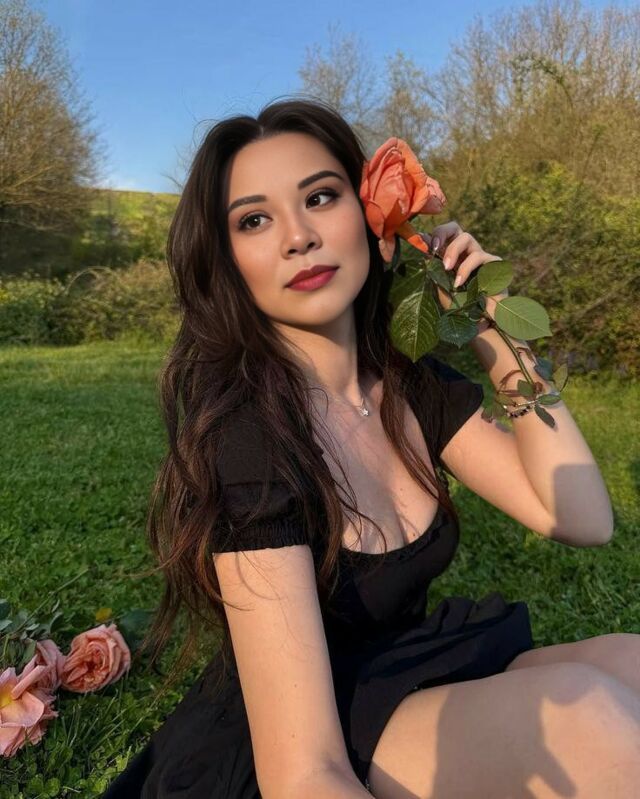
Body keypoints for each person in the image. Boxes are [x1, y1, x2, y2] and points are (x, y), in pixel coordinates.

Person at [101, 96, 640, 799]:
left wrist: (494, 330)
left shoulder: (409, 386)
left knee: (630, 666)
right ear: (228, 260)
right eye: (255, 220)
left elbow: (580, 518)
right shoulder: (250, 438)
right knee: (592, 724)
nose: (299, 237)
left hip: (410, 666)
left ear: (367, 218)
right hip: (303, 730)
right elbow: (303, 775)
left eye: (320, 197)